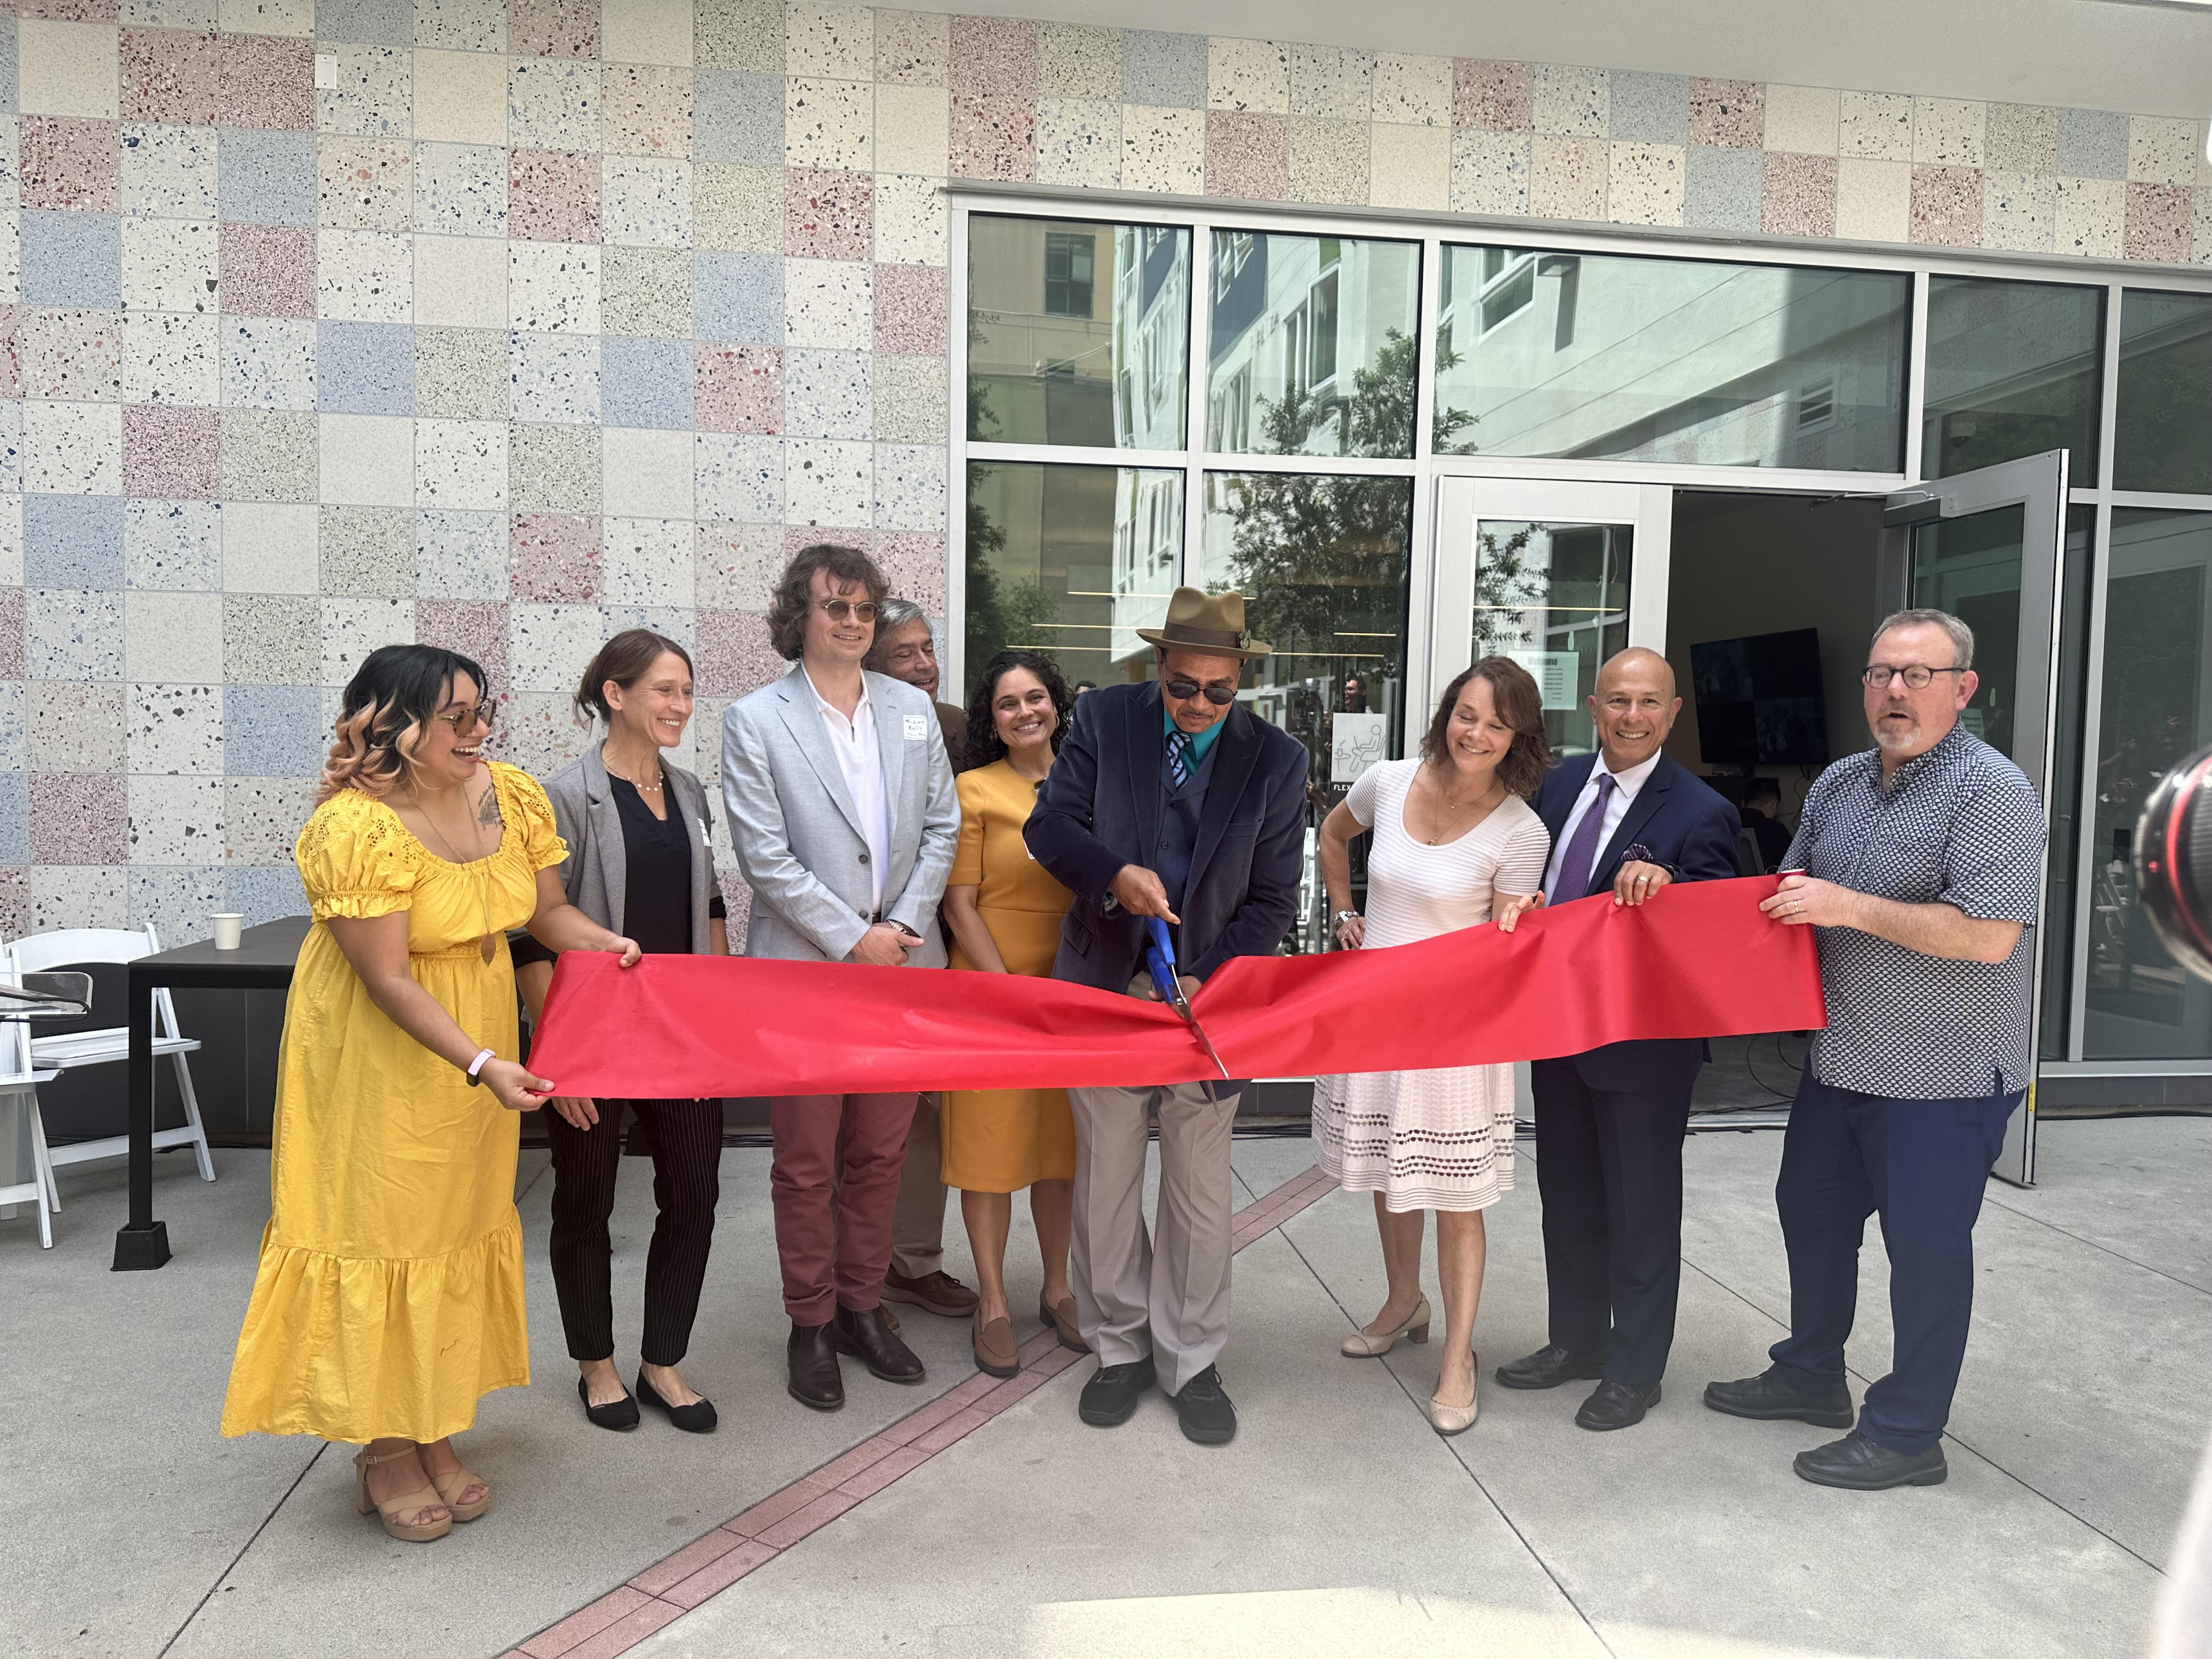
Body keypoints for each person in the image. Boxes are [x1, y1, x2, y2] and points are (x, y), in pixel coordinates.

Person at [220, 645, 640, 1542]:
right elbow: (386, 981)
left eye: (480, 710)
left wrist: (607, 943)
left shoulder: (508, 793)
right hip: (384, 1055)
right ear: (397, 725)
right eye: (456, 716)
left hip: (474, 1031)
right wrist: (486, 1062)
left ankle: (435, 1427)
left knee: (453, 1227)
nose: (478, 729)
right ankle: (383, 1447)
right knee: (384, 1232)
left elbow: (546, 914)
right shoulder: (354, 827)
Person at [1707, 609, 2045, 1491]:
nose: (1896, 691)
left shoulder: (1993, 792)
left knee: (1926, 1256)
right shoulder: (1841, 782)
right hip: (1843, 1059)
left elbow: (1988, 939)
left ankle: (1907, 1432)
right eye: (1882, 674)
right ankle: (1811, 1374)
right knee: (1811, 1217)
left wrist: (1846, 907)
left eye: (1919, 675)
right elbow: (1791, 891)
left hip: (1943, 1074)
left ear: (1961, 690)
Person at [1026, 587, 1307, 1446]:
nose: (1199, 706)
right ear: (1159, 669)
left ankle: (1191, 1359)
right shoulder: (1106, 720)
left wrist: (1202, 983)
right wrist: (1115, 874)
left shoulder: (1277, 759)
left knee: (1197, 1197)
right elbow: (1050, 827)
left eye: (1219, 692)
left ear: (1242, 684)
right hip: (1106, 990)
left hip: (1209, 1008)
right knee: (1106, 1187)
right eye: (1185, 687)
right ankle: (1120, 1350)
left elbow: (1272, 901)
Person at [721, 545, 960, 1412]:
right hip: (808, 977)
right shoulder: (756, 720)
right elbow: (764, 857)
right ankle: (810, 1322)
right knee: (807, 1162)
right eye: (835, 608)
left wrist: (899, 927)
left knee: (881, 1155)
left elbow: (944, 825)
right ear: (802, 616)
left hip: (901, 970)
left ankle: (865, 1308)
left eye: (864, 610)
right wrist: (850, 936)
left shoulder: (909, 712)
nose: (853, 622)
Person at [1493, 647, 1741, 1431]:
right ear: (1593, 710)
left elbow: (1718, 927)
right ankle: (1576, 1343)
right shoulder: (1554, 785)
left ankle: (1635, 1370)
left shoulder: (1703, 812)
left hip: (1642, 1048)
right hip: (1557, 1028)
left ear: (1672, 715)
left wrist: (1674, 891)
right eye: (1618, 701)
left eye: (1649, 703)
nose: (1633, 716)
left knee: (1639, 1212)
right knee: (1567, 1199)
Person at [1313, 659, 1553, 1436]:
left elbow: (1510, 954)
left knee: (1455, 1198)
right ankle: (1401, 1301)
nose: (1475, 732)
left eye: (1496, 722)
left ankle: (1459, 1356)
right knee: (1390, 1171)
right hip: (1378, 1018)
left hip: (1455, 1039)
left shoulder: (1522, 829)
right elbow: (1332, 833)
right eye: (1466, 714)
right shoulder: (1387, 781)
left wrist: (1527, 927)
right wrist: (1345, 910)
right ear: (1446, 712)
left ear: (1517, 737)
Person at [513, 630, 729, 1436]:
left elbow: (709, 910)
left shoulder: (692, 792)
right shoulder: (561, 796)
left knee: (696, 1199)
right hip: (594, 1039)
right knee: (585, 1202)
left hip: (681, 1036)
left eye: (685, 692)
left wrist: (720, 1014)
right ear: (616, 694)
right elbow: (533, 932)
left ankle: (662, 1361)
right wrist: (558, 1059)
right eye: (665, 691)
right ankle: (596, 1364)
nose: (680, 706)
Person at [940, 651, 1082, 1376]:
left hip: (1072, 996)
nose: (1025, 712)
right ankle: (993, 1301)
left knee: (1060, 1157)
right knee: (991, 1159)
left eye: (1036, 698)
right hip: (993, 997)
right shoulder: (972, 790)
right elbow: (958, 904)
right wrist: (1009, 992)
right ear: (991, 720)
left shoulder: (1087, 784)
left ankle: (1058, 1290)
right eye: (1007, 703)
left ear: (1055, 703)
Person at [862, 595, 980, 1326]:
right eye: (906, 653)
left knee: (927, 1114)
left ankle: (913, 1263)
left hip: (942, 946)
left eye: (928, 648)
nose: (925, 665)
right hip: (849, 952)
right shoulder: (832, 726)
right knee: (857, 1120)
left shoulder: (956, 728)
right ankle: (855, 1275)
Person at [1742, 776, 1793, 873]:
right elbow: (1791, 865)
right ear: (1774, 805)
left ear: (1743, 803)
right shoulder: (1776, 830)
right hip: (1765, 885)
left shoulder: (1726, 825)